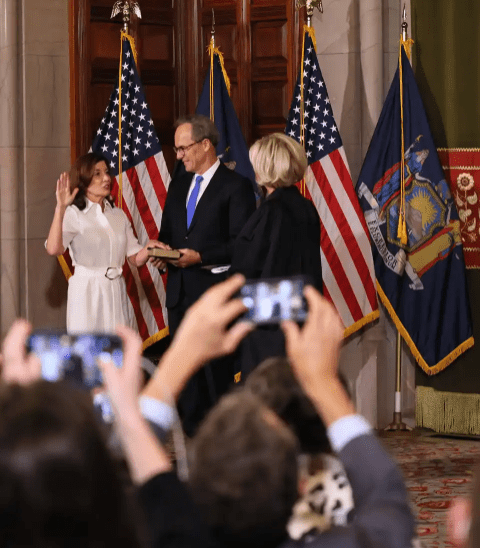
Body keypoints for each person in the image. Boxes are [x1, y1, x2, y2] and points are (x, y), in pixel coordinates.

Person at [157, 114, 256, 434]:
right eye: (176, 150)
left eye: (183, 148)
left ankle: (220, 446)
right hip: (179, 296)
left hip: (213, 295)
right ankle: (190, 444)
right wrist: (162, 254)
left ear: (205, 145)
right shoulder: (179, 182)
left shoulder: (236, 186)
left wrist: (201, 257)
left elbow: (241, 244)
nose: (179, 155)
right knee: (184, 378)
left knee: (215, 377)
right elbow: (169, 233)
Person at [230, 132, 323, 379]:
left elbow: (266, 269)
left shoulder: (273, 211)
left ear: (266, 167)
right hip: (300, 324)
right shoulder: (304, 206)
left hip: (271, 332)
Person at [45, 152, 164, 334]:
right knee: (89, 352)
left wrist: (148, 249)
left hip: (116, 289)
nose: (107, 178)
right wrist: (60, 208)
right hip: (87, 292)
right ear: (84, 179)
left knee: (117, 351)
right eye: (98, 174)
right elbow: (54, 249)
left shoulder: (118, 215)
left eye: (107, 172)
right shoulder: (73, 214)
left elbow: (134, 258)